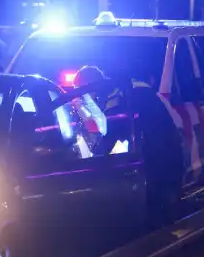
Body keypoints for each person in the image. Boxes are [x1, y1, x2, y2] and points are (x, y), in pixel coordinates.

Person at [73, 65, 184, 226]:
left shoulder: (117, 98)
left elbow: (112, 136)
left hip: (157, 166)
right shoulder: (125, 89)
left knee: (155, 228)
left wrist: (91, 160)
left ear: (91, 86)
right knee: (164, 222)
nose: (84, 99)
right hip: (167, 158)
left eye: (83, 94)